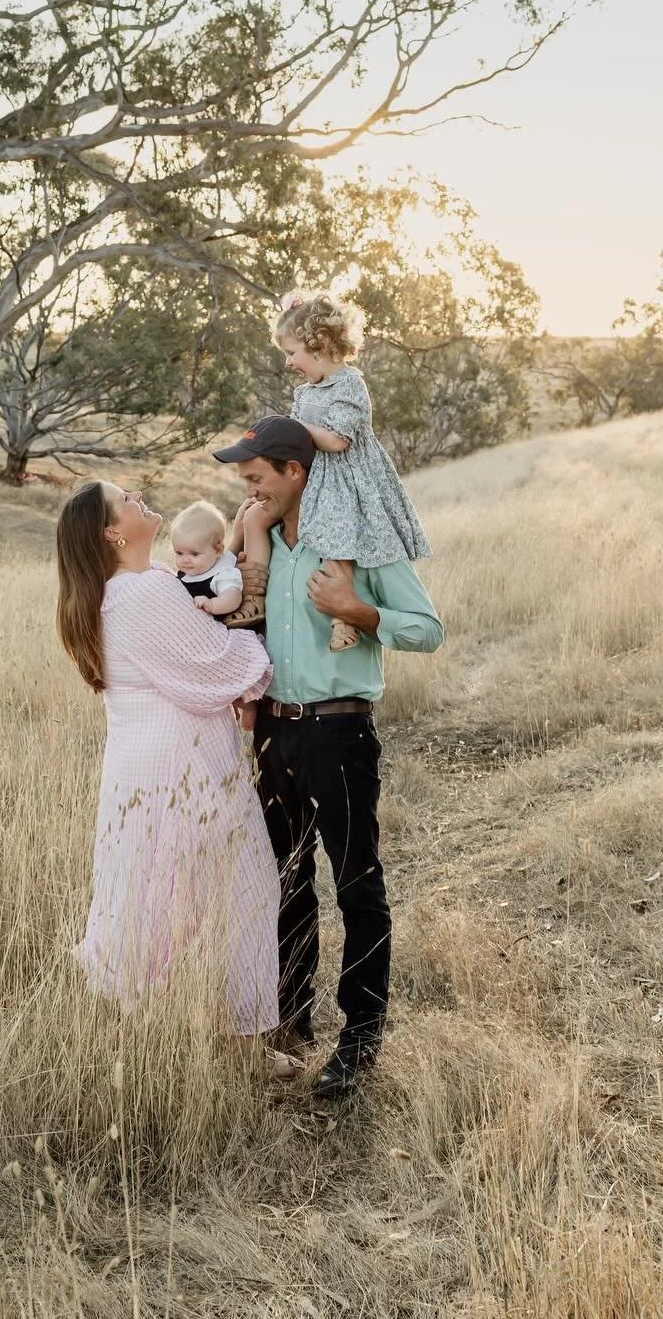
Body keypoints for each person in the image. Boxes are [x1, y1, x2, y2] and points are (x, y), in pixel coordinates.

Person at [213, 416, 444, 1100]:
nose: (249, 490)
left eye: (257, 477)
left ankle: (361, 1037)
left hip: (340, 732)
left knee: (355, 885)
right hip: (274, 736)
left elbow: (428, 629)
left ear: (295, 472)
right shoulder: (261, 551)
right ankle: (290, 1022)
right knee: (284, 884)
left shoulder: (355, 542)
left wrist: (358, 610)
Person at [56, 479, 292, 1053]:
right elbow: (221, 661)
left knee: (155, 894)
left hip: (143, 767)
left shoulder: (129, 589)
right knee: (237, 888)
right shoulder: (140, 595)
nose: (139, 497)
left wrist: (235, 538)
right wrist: (258, 649)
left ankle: (164, 1032)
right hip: (179, 770)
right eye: (126, 499)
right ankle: (241, 1042)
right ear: (113, 532)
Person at [232, 291, 430, 651]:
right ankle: (254, 596)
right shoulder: (306, 391)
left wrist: (299, 429)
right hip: (318, 478)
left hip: (345, 480)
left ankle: (344, 618)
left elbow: (339, 441)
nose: (289, 363)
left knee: (338, 538)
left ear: (319, 344)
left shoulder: (350, 384)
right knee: (254, 520)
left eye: (292, 353)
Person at [170, 499, 246, 618]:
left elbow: (233, 597)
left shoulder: (221, 574)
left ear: (218, 550)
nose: (185, 560)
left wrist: (212, 604)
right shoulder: (185, 575)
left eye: (194, 554)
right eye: (179, 553)